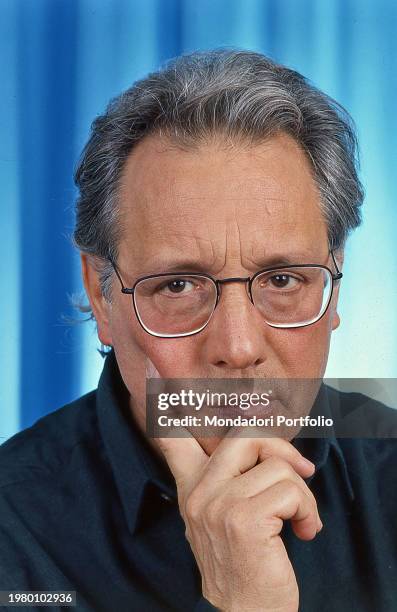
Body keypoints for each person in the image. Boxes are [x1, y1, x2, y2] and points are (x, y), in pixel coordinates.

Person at [1, 49, 396, 612]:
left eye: (283, 279)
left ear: (334, 286)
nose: (237, 349)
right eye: (179, 286)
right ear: (101, 293)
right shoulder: (12, 531)